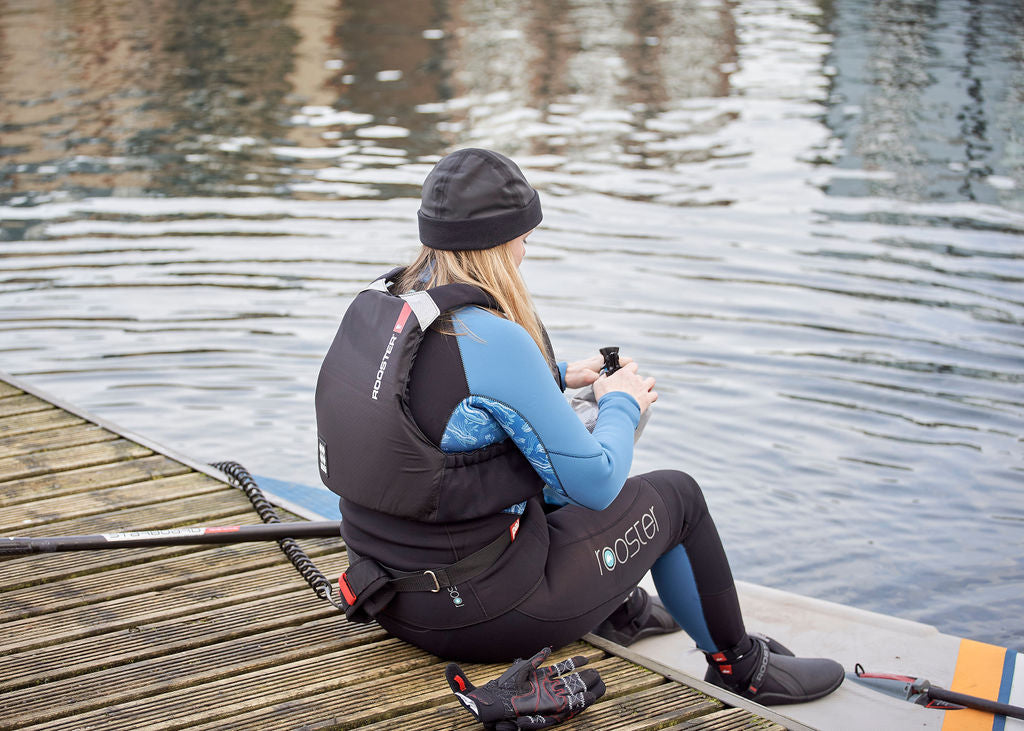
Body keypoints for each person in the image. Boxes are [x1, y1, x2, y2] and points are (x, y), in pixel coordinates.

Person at [315, 148, 844, 706]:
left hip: (387, 594)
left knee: (533, 454)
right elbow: (595, 484)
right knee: (676, 496)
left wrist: (560, 375)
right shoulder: (492, 335)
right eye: (524, 237)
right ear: (501, 240)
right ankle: (742, 668)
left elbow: (436, 405)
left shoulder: (389, 304)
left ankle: (620, 606)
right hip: (482, 618)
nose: (527, 249)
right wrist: (620, 403)